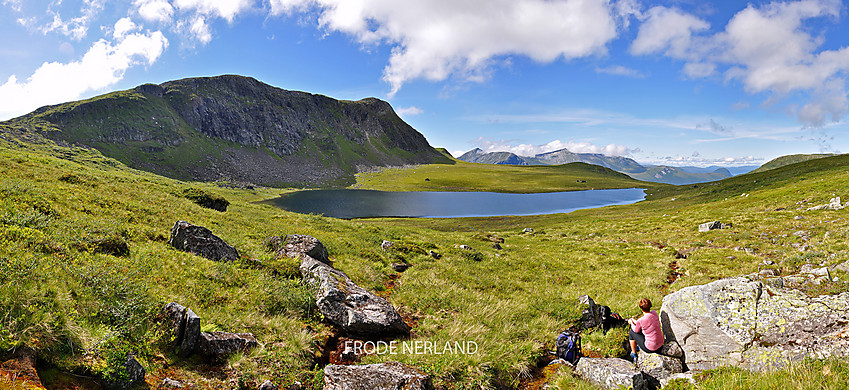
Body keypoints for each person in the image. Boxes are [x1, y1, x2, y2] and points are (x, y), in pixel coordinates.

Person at [627, 298, 664, 363]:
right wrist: (635, 321)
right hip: (660, 344)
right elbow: (646, 323)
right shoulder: (654, 313)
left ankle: (634, 353)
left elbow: (635, 330)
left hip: (650, 348)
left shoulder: (641, 320)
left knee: (631, 332)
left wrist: (631, 322)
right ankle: (638, 347)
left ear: (641, 308)